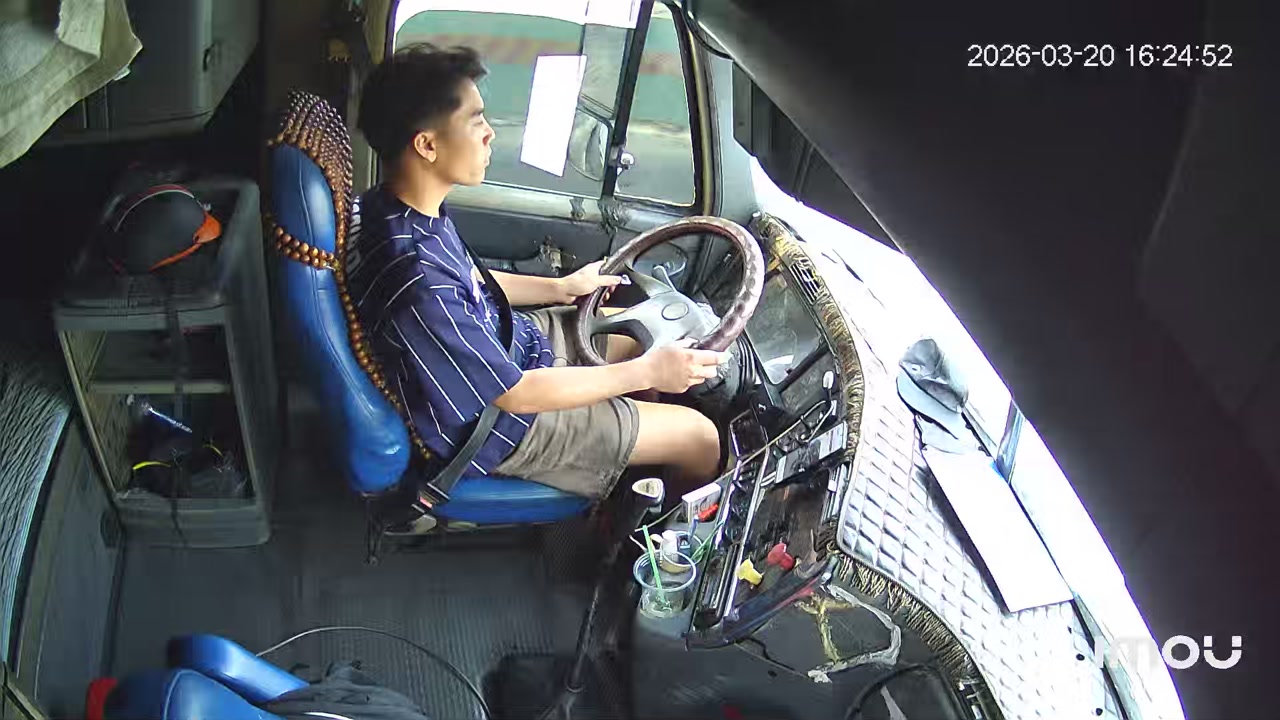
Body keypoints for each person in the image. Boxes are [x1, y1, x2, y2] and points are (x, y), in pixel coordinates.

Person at [349, 43, 726, 501]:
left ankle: (627, 463)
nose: (490, 133)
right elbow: (516, 394)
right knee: (700, 436)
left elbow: (470, 282)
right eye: (476, 121)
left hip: (514, 344)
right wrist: (647, 373)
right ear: (427, 145)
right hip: (499, 424)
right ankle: (646, 531)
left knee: (636, 334)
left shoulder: (398, 209)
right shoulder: (416, 278)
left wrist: (561, 287)